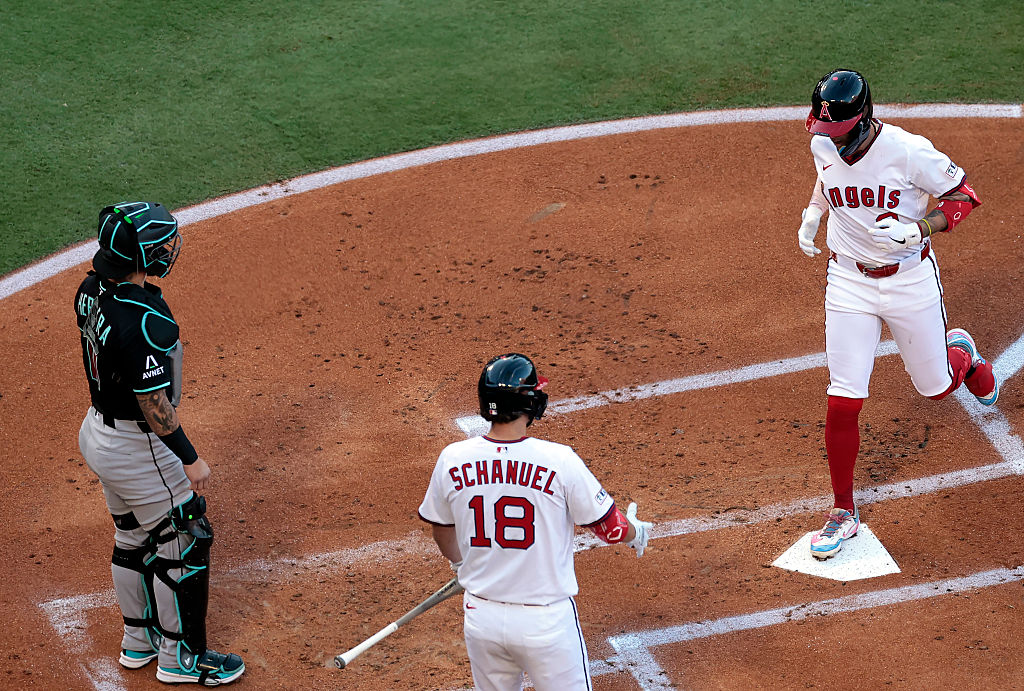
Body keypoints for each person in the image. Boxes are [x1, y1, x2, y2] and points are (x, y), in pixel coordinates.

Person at [796, 69, 999, 560]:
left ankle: (963, 358)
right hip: (847, 280)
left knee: (934, 387)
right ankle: (843, 511)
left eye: (837, 132)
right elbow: (829, 180)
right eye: (823, 131)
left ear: (862, 120)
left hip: (908, 281)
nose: (829, 140)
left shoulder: (908, 151)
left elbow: (964, 197)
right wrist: (814, 212)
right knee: (844, 395)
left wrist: (922, 229)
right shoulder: (823, 142)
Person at [75, 202, 244, 685]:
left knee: (131, 534)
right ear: (141, 252)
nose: (171, 248)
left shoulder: (90, 290)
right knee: (183, 537)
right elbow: (154, 403)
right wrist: (189, 458)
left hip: (100, 434)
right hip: (138, 444)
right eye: (163, 242)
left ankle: (137, 641)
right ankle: (181, 658)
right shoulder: (144, 320)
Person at [418, 353, 653, 690]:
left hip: (481, 619)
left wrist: (459, 563)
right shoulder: (558, 460)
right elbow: (610, 527)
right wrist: (636, 532)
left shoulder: (452, 459)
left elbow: (441, 528)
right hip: (545, 625)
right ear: (528, 402)